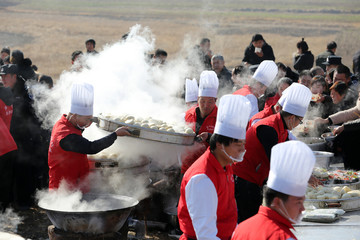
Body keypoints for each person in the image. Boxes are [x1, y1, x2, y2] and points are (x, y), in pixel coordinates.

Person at [233, 83, 312, 223]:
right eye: (300, 121)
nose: (298, 125)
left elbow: (289, 155)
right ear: (292, 118)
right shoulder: (268, 128)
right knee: (249, 221)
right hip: (246, 179)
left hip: (257, 178)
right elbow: (277, 163)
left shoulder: (281, 127)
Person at [178, 94, 251, 240]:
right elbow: (206, 235)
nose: (243, 150)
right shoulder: (202, 178)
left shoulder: (226, 164)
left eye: (243, 144)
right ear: (219, 145)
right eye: (238, 145)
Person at [48, 82, 130, 190]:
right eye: (87, 119)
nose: (88, 123)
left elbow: (78, 130)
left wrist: (97, 120)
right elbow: (91, 147)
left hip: (76, 181)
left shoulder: (64, 122)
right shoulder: (65, 135)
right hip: (64, 187)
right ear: (75, 116)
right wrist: (115, 134)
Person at [231, 141, 316, 240]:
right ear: (277, 202)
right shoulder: (283, 237)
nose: (303, 209)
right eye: (298, 202)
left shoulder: (241, 228)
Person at [181, 71, 219, 174]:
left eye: (210, 101)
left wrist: (210, 137)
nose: (206, 105)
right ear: (197, 100)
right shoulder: (187, 115)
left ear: (216, 100)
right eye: (202, 101)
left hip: (208, 169)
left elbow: (226, 142)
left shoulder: (220, 118)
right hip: (186, 167)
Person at [0, 70, 17, 212]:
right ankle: (7, 206)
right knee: (7, 178)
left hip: (2, 146)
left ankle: (3, 209)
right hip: (10, 142)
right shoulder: (8, 97)